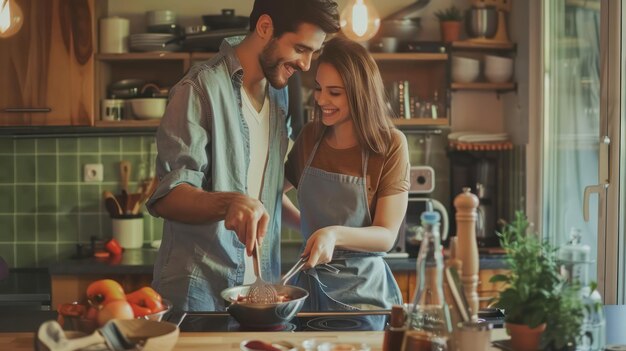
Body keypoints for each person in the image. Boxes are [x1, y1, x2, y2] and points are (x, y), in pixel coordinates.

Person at [146, 0, 340, 311]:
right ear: (265, 27)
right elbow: (168, 197)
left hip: (259, 296)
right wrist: (229, 203)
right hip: (200, 297)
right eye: (301, 49)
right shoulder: (198, 89)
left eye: (313, 54)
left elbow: (262, 193)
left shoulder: (280, 92)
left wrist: (310, 227)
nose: (306, 64)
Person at [284, 36, 410, 312]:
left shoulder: (390, 145)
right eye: (318, 88)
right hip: (309, 292)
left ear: (359, 93)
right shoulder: (310, 137)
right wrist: (313, 232)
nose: (321, 100)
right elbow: (269, 195)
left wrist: (333, 235)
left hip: (365, 296)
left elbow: (386, 235)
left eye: (335, 92)